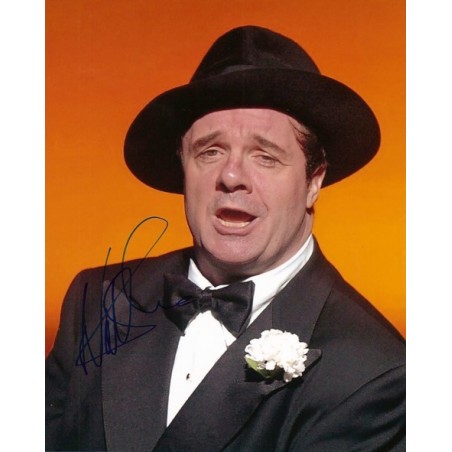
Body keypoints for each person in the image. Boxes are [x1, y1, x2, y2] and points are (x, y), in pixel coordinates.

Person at [45, 25, 405, 451]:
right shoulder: (99, 300)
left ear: (313, 182)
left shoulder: (375, 371)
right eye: (210, 152)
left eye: (265, 156)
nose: (231, 176)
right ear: (183, 168)